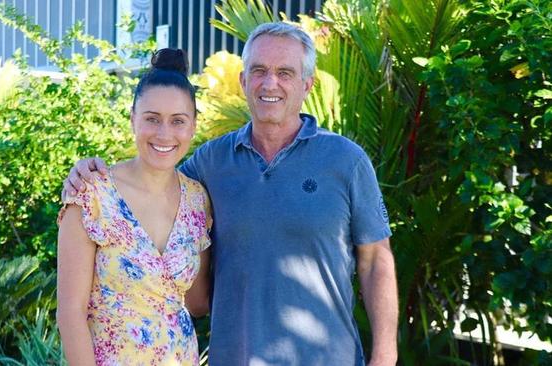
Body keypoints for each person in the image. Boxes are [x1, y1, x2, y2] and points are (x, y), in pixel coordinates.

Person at [64, 23, 398, 366]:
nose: (270, 83)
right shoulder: (210, 163)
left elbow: (376, 260)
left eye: (285, 72)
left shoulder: (346, 160)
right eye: (259, 71)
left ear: (307, 84)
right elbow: (150, 179)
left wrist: (385, 355)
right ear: (243, 81)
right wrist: (86, 173)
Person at [56, 48, 213, 366]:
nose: (164, 134)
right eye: (152, 119)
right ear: (132, 119)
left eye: (178, 121)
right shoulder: (92, 193)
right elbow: (71, 314)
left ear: (193, 126)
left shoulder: (197, 200)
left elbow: (198, 303)